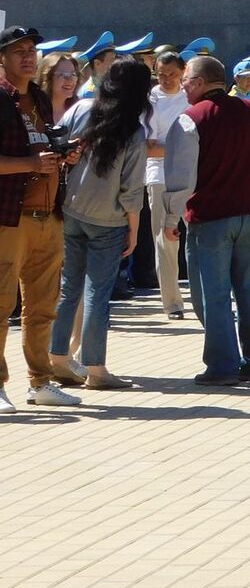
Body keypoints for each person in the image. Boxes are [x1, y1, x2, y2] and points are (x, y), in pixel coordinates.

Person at [163, 55, 250, 386]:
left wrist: (171, 217)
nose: (183, 86)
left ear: (198, 83)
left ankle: (223, 365)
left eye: (186, 80)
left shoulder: (190, 119)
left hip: (210, 218)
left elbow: (181, 178)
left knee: (211, 294)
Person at [48, 57, 148, 391]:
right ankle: (96, 368)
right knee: (97, 294)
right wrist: (133, 228)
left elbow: (59, 147)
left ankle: (58, 357)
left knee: (69, 287)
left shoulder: (81, 109)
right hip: (109, 219)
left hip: (71, 210)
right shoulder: (134, 130)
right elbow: (131, 189)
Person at [0, 26, 80, 411]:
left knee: (43, 306)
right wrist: (31, 163)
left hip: (49, 214)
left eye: (32, 50)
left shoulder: (39, 99)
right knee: (1, 305)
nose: (28, 57)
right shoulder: (2, 98)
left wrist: (62, 157)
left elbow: (42, 150)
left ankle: (40, 382)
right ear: (2, 58)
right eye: (18, 51)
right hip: (9, 217)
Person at [144, 50, 191, 319]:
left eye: (172, 74)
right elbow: (149, 147)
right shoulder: (150, 100)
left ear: (183, 71)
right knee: (164, 241)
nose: (166, 79)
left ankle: (203, 297)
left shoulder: (190, 96)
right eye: (161, 74)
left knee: (196, 237)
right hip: (159, 176)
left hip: (191, 175)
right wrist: (184, 149)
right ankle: (172, 303)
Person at [40, 51, 81, 124]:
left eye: (73, 74)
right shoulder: (34, 110)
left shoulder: (79, 111)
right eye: (62, 75)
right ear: (47, 78)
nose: (70, 80)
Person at [73, 32, 115, 99]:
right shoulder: (89, 94)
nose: (115, 63)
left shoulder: (108, 86)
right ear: (97, 64)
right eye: (111, 60)